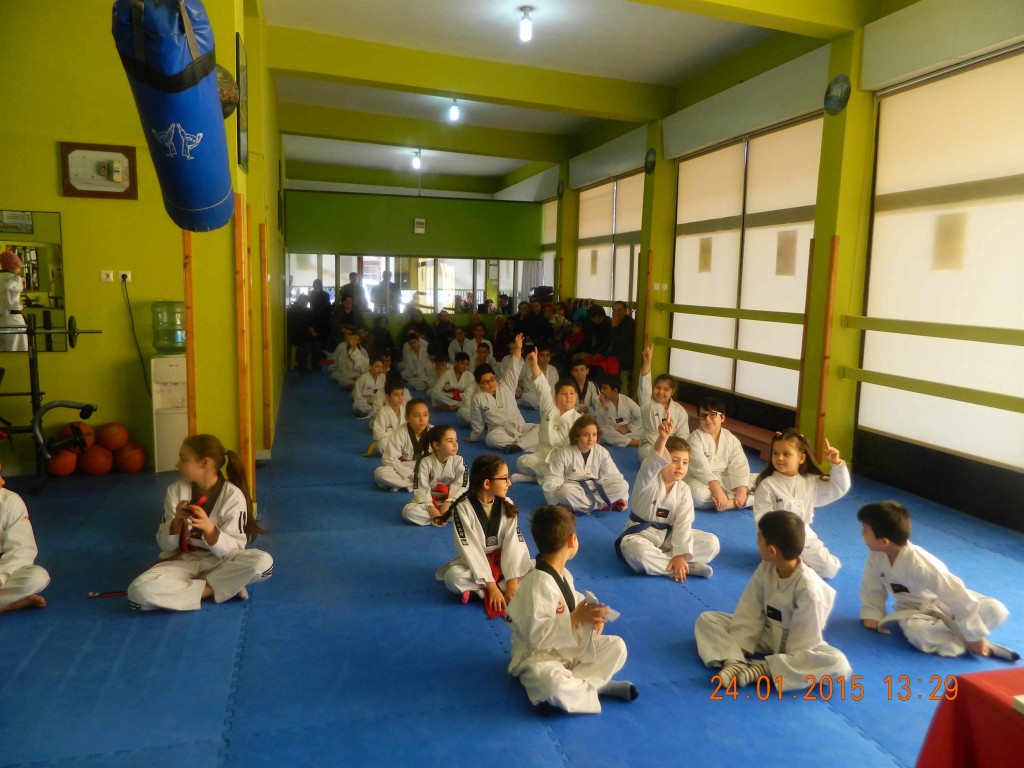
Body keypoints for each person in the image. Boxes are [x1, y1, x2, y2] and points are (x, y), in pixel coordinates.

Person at [694, 510, 851, 691]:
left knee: (839, 664)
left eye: (759, 538)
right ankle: (734, 662)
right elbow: (750, 609)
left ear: (772, 550)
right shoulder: (766, 567)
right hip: (768, 631)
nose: (756, 542)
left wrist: (785, 660)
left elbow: (804, 643)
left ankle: (764, 670)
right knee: (708, 619)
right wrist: (741, 645)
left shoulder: (809, 590)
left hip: (798, 642)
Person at [507, 504, 636, 713]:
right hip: (539, 657)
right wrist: (576, 618)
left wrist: (592, 619)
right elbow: (537, 637)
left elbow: (574, 604)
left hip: (566, 648)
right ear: (571, 540)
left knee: (617, 647)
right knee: (551, 684)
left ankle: (582, 688)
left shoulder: (563, 574)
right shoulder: (538, 584)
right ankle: (595, 686)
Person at [126, 434, 273, 611]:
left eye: (183, 459)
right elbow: (166, 545)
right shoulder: (175, 491)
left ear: (205, 463)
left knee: (263, 563)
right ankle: (219, 587)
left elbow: (234, 549)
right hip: (182, 560)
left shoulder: (232, 496)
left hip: (220, 562)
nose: (177, 465)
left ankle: (199, 588)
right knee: (138, 593)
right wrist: (176, 523)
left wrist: (209, 529)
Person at [858, 501, 1017, 660]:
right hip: (913, 611)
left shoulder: (920, 564)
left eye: (865, 530)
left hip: (945, 603)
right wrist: (873, 612)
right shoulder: (876, 556)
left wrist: (975, 635)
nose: (861, 534)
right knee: (920, 633)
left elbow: (955, 595)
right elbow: (872, 585)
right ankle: (965, 639)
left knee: (996, 609)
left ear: (884, 541)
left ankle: (964, 639)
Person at [616, 418, 718, 580]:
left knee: (711, 543)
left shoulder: (684, 490)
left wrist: (680, 554)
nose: (680, 467)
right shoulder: (648, 477)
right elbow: (653, 460)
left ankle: (671, 563)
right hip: (640, 534)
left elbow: (683, 523)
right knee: (638, 553)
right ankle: (685, 568)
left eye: (685, 463)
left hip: (667, 536)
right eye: (674, 461)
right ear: (664, 460)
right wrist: (663, 438)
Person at [433, 455, 532, 616]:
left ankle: (481, 592)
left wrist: (512, 582)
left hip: (503, 562)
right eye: (504, 478)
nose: (509, 483)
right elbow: (469, 548)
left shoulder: (507, 504)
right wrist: (491, 586)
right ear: (487, 483)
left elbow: (514, 544)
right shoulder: (463, 508)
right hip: (475, 564)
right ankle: (496, 590)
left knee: (536, 568)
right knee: (453, 577)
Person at [754, 429, 850, 579]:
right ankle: (791, 563)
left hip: (804, 536)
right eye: (775, 453)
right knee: (778, 570)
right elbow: (762, 517)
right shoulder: (768, 485)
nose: (779, 458)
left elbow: (838, 488)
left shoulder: (810, 481)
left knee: (829, 569)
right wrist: (772, 538)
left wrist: (836, 464)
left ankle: (801, 563)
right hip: (778, 538)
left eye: (786, 454)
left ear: (801, 458)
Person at [512, 349, 581, 486]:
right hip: (542, 454)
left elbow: (574, 449)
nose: (568, 397)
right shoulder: (549, 408)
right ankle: (551, 477)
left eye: (572, 393)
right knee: (521, 462)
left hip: (562, 458)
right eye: (564, 394)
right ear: (556, 396)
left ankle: (533, 479)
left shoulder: (578, 419)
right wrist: (534, 365)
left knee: (572, 469)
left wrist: (561, 461)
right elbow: (542, 387)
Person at [467, 334, 539, 454]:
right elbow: (477, 421)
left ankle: (518, 445)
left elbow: (513, 369)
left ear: (495, 377)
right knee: (490, 439)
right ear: (479, 384)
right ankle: (524, 443)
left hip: (519, 426)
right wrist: (474, 437)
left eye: (492, 379)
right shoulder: (478, 398)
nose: (490, 383)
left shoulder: (506, 385)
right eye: (485, 382)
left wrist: (518, 348)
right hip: (499, 431)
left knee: (540, 428)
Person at [543, 417, 629, 515]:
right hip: (574, 488)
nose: (591, 439)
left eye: (594, 434)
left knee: (623, 485)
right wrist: (556, 504)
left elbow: (615, 476)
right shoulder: (563, 453)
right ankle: (603, 505)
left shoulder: (601, 452)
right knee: (564, 493)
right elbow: (552, 480)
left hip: (597, 487)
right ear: (576, 436)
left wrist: (623, 498)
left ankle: (576, 507)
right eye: (585, 435)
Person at [686, 397, 757, 511]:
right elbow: (701, 469)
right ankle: (739, 501)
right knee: (697, 496)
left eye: (712, 414)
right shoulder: (694, 438)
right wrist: (717, 491)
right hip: (701, 480)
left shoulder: (731, 439)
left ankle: (730, 502)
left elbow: (740, 465)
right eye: (703, 416)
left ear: (722, 417)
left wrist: (741, 491)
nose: (707, 419)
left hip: (726, 477)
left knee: (764, 483)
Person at [0, 466, 49, 614]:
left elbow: (21, 551)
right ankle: (6, 603)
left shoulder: (10, 501)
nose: (2, 481)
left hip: (3, 568)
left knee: (37, 577)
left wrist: (1, 577)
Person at [402, 425, 468, 526]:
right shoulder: (424, 462)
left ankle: (440, 517)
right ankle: (443, 517)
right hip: (430, 501)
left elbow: (462, 484)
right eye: (450, 441)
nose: (455, 445)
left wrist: (449, 502)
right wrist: (431, 509)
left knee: (472, 507)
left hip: (453, 500)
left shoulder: (459, 461)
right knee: (408, 511)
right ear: (436, 445)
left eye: (456, 440)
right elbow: (421, 486)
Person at [636, 345, 688, 460]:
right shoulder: (647, 402)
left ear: (672, 391)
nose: (660, 392)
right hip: (649, 443)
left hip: (671, 446)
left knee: (678, 457)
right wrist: (647, 362)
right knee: (653, 455)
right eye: (658, 388)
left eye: (666, 389)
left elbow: (683, 435)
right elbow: (644, 384)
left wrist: (678, 450)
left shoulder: (679, 410)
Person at [374, 399, 431, 492]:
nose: (422, 419)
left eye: (425, 415)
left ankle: (403, 485)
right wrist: (409, 474)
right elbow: (389, 459)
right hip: (405, 466)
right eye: (416, 415)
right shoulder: (400, 432)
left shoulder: (434, 432)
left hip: (427, 467)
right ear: (407, 418)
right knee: (380, 473)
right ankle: (418, 484)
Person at [595, 374, 642, 448]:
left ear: (615, 390)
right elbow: (602, 424)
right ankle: (633, 442)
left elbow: (641, 416)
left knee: (645, 429)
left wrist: (628, 428)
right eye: (602, 387)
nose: (601, 391)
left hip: (626, 431)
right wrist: (603, 405)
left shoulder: (626, 400)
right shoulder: (600, 401)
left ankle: (622, 440)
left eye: (605, 388)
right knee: (603, 431)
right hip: (612, 431)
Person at [0, 250, 27, 352]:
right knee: (17, 352)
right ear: (12, 266)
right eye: (18, 267)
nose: (19, 270)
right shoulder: (16, 279)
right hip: (14, 320)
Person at [518, 344, 558, 411]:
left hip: (550, 396)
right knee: (526, 397)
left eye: (547, 355)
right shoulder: (529, 369)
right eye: (542, 355)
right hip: (534, 396)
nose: (545, 358)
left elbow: (555, 387)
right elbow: (528, 388)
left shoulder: (553, 369)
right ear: (537, 356)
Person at [286, 294, 321, 371]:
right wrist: (308, 329)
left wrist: (312, 328)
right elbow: (295, 325)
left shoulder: (308, 311)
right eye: (303, 301)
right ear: (299, 301)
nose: (305, 303)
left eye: (306, 301)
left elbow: (313, 322)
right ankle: (302, 366)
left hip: (307, 334)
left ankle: (315, 364)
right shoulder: (293, 311)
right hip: (297, 335)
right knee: (306, 345)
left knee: (317, 343)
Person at [372, 379, 407, 450]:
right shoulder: (383, 412)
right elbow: (378, 433)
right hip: (390, 440)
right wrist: (396, 437)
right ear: (387, 396)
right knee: (382, 444)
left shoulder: (405, 409)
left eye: (402, 394)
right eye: (396, 395)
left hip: (403, 439)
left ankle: (400, 452)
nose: (400, 398)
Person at [607, 301, 635, 372]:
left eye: (619, 310)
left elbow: (619, 342)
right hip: (617, 354)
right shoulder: (618, 321)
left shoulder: (628, 323)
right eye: (614, 310)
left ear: (625, 311)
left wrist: (614, 327)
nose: (616, 313)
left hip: (625, 358)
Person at [308, 278, 333, 344]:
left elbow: (327, 305)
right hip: (314, 314)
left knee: (323, 333)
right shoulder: (311, 293)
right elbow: (310, 301)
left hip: (323, 316)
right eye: (314, 284)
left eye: (316, 284)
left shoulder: (325, 294)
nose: (315, 285)